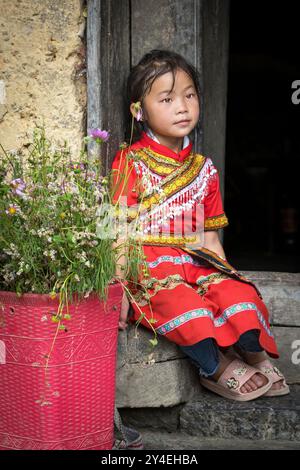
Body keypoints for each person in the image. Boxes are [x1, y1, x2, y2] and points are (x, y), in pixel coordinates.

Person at [111, 49, 289, 401]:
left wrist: (223, 275)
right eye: (167, 98)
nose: (182, 106)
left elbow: (209, 235)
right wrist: (119, 289)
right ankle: (215, 368)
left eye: (189, 95)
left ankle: (252, 352)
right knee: (185, 307)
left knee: (241, 294)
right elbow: (118, 228)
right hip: (148, 266)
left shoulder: (204, 169)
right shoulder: (129, 161)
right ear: (139, 111)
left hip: (195, 259)